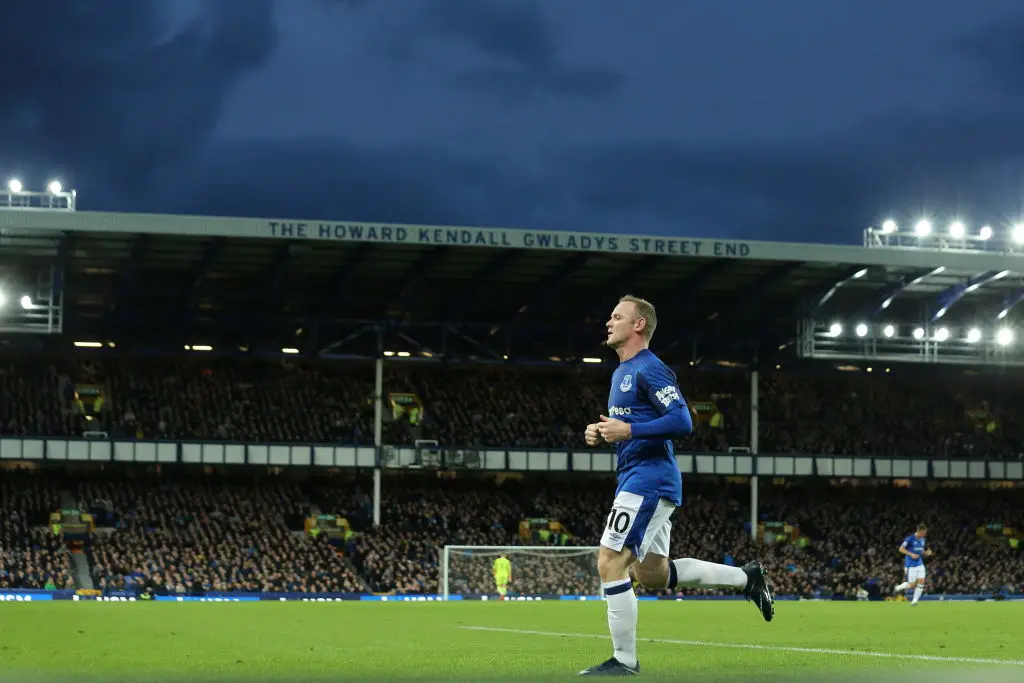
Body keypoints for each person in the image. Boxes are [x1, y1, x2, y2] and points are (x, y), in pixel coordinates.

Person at [578, 295, 775, 677]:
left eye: (617, 316)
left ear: (638, 325)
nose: (608, 322)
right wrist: (603, 432)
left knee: (611, 561)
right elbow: (629, 427)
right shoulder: (621, 372)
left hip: (648, 481)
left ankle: (624, 661)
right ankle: (747, 577)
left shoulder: (650, 368)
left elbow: (682, 421)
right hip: (639, 476)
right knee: (650, 573)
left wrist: (629, 429)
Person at [892, 523, 931, 606]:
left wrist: (926, 553)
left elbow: (921, 551)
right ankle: (898, 588)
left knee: (921, 581)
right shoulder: (910, 539)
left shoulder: (922, 540)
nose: (925, 534)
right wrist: (911, 554)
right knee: (911, 585)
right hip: (910, 565)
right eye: (924, 532)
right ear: (920, 531)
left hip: (920, 564)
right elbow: (901, 549)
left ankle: (914, 601)